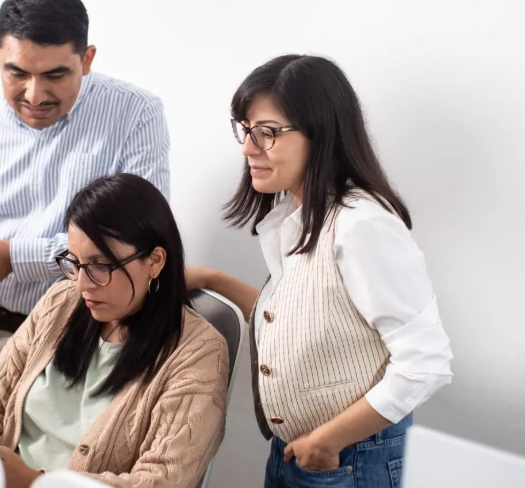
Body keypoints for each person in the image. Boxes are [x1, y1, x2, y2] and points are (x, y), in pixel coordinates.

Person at [186, 55, 453, 488]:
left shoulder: (362, 224)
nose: (248, 148)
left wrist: (326, 443)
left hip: (348, 458)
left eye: (267, 133)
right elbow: (302, 324)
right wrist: (211, 279)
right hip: (299, 452)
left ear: (321, 133)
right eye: (246, 130)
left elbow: (426, 363)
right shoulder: (297, 215)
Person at [0, 0, 170, 401]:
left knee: (23, 467)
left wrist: (15, 257)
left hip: (63, 342)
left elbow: (131, 243)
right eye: (17, 73)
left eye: (56, 75)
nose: (35, 94)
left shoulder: (135, 115)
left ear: (86, 60)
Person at [0, 173, 227, 488]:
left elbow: (162, 481)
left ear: (154, 261)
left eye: (101, 265)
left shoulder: (198, 354)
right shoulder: (61, 301)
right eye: (75, 262)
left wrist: (34, 482)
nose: (82, 284)